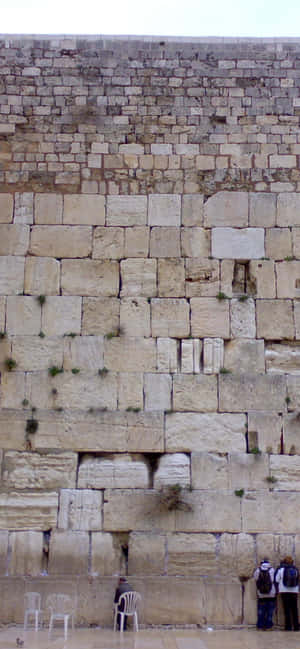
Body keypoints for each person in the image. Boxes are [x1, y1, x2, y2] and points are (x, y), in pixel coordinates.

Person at [275, 555, 299, 631]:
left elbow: (276, 580)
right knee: (294, 609)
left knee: (287, 609)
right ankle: (296, 626)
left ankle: (288, 627)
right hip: (294, 591)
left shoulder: (281, 570)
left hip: (284, 591)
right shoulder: (295, 569)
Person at [254, 557, 276, 630]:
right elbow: (274, 580)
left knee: (261, 611)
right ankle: (269, 626)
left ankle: (260, 625)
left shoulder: (258, 570)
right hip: (271, 593)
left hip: (261, 594)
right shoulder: (272, 570)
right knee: (270, 611)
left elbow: (256, 579)